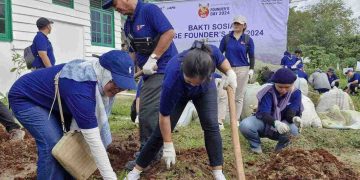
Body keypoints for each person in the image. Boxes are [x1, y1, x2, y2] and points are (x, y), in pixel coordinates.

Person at [9, 50, 136, 179]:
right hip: (25, 98)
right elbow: (93, 139)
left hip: (56, 103)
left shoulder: (98, 81)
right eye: (115, 82)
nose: (118, 89)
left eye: (123, 86)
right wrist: (109, 176)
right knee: (52, 144)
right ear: (104, 73)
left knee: (72, 145)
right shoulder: (81, 88)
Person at [125, 41, 237, 180]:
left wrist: (230, 72)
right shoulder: (172, 76)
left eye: (196, 82)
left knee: (211, 126)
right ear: (183, 69)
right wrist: (168, 144)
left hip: (205, 91)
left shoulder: (211, 52)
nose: (192, 85)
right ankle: (136, 171)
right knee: (160, 133)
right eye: (189, 81)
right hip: (179, 93)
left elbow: (222, 61)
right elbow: (164, 115)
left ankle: (218, 172)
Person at [103, 0, 178, 169]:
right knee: (139, 109)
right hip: (146, 72)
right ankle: (151, 150)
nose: (116, 10)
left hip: (163, 68)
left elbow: (169, 33)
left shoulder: (149, 10)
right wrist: (125, 72)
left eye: (115, 5)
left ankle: (150, 155)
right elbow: (133, 52)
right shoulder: (129, 24)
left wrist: (153, 59)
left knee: (147, 112)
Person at [239, 68, 303, 154]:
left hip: (284, 124)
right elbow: (264, 113)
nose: (283, 90)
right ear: (275, 83)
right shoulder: (268, 92)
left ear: (292, 84)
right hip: (265, 122)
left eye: (287, 87)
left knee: (294, 130)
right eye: (280, 87)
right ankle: (256, 147)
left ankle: (280, 152)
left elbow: (290, 113)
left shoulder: (296, 93)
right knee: (245, 125)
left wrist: (294, 118)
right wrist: (276, 123)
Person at [219, 15, 255, 124]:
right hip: (227, 69)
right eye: (234, 23)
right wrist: (221, 67)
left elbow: (252, 56)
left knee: (239, 96)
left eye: (238, 23)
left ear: (244, 25)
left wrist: (251, 69)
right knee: (222, 94)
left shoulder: (248, 39)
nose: (236, 25)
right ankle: (220, 120)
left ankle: (235, 120)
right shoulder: (226, 38)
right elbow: (219, 54)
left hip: (243, 69)